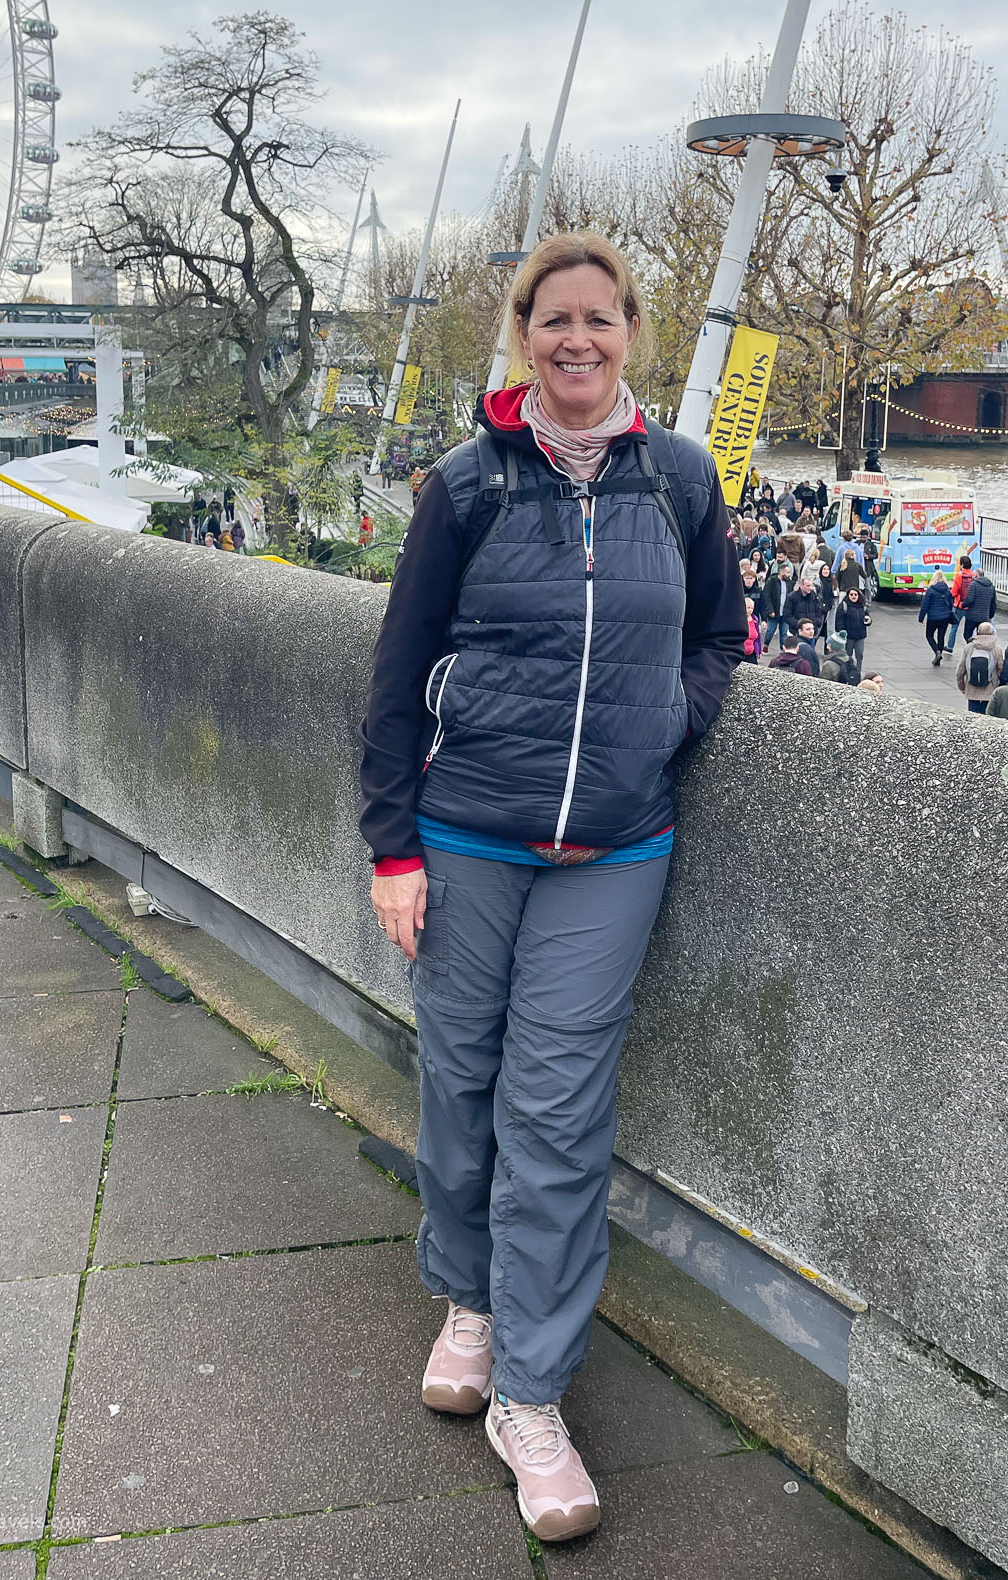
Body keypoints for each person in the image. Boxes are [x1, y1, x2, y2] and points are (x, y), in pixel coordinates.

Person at [358, 231, 743, 1544]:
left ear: (632, 330)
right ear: (524, 334)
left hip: (617, 852)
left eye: (600, 320)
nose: (577, 342)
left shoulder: (682, 481)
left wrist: (660, 728)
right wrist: (392, 850)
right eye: (553, 321)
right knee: (459, 1079)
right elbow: (398, 674)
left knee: (559, 1115)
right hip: (468, 837)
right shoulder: (466, 488)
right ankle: (464, 1294)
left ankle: (531, 1394)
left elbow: (719, 635)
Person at [955, 621, 1003, 714]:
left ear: (977, 632)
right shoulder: (997, 649)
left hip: (972, 688)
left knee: (972, 716)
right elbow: (1000, 670)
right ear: (991, 633)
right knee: (986, 717)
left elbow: (960, 670)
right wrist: (998, 687)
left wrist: (962, 687)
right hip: (990, 688)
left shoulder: (969, 648)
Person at [918, 569, 956, 664]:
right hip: (945, 617)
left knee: (929, 635)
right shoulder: (947, 590)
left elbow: (925, 605)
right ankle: (938, 657)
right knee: (941, 637)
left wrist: (921, 618)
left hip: (933, 617)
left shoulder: (931, 590)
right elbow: (951, 604)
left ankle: (937, 652)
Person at [760, 560, 795, 655]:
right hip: (774, 611)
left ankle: (782, 649)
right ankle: (766, 645)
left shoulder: (789, 583)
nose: (789, 574)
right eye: (787, 572)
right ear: (781, 572)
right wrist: (770, 610)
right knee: (770, 631)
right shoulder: (772, 581)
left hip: (785, 612)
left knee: (784, 633)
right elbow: (767, 597)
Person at [960, 563, 997, 640]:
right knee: (983, 636)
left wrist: (963, 604)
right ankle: (980, 646)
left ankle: (972, 646)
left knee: (967, 634)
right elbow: (993, 603)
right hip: (985, 617)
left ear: (976, 575)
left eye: (973, 575)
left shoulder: (974, 585)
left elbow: (969, 600)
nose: (972, 577)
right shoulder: (991, 586)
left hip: (972, 616)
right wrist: (990, 615)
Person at [838, 586, 869, 676]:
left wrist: (869, 621)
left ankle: (858, 672)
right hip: (849, 636)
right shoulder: (844, 606)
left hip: (860, 636)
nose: (854, 596)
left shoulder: (863, 607)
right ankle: (847, 672)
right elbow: (839, 621)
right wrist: (842, 632)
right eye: (851, 594)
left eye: (856, 594)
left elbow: (868, 618)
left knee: (860, 655)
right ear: (848, 595)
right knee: (848, 656)